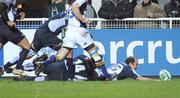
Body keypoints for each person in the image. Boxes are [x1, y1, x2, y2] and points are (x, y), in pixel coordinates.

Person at [37, 0, 116, 81]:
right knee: (94, 53)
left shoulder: (68, 8)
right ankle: (106, 75)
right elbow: (75, 6)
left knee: (60, 56)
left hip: (69, 33)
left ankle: (43, 64)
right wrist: (83, 19)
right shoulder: (80, 0)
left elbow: (72, 9)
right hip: (79, 31)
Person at [1, 10, 68, 76]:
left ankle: (4, 67)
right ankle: (45, 64)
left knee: (27, 55)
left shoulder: (65, 14)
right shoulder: (70, 17)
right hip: (46, 35)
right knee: (65, 51)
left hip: (40, 32)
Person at [0, 0, 30, 75]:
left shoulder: (14, 3)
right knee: (26, 45)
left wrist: (19, 16)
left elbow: (10, 15)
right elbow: (1, 6)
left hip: (3, 27)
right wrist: (8, 21)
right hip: (6, 28)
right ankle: (18, 68)